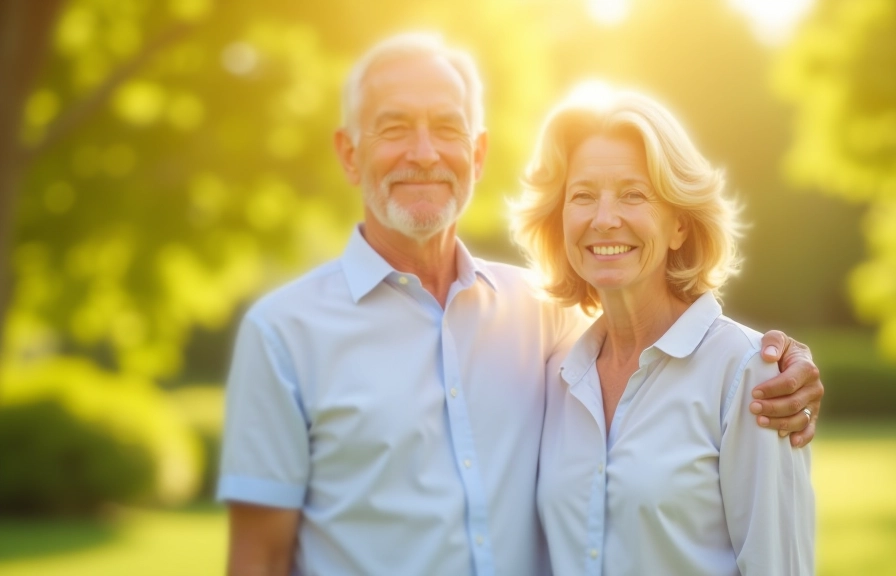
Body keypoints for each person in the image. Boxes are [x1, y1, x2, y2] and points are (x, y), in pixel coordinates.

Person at [217, 33, 822, 576]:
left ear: (477, 155)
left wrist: (778, 367)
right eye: (395, 127)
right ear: (349, 153)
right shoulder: (285, 333)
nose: (425, 153)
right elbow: (260, 557)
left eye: (448, 128)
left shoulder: (547, 323)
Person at [512, 88, 814, 575]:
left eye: (633, 194)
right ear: (560, 220)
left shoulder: (746, 373)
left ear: (679, 227)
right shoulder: (556, 375)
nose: (604, 219)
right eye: (583, 195)